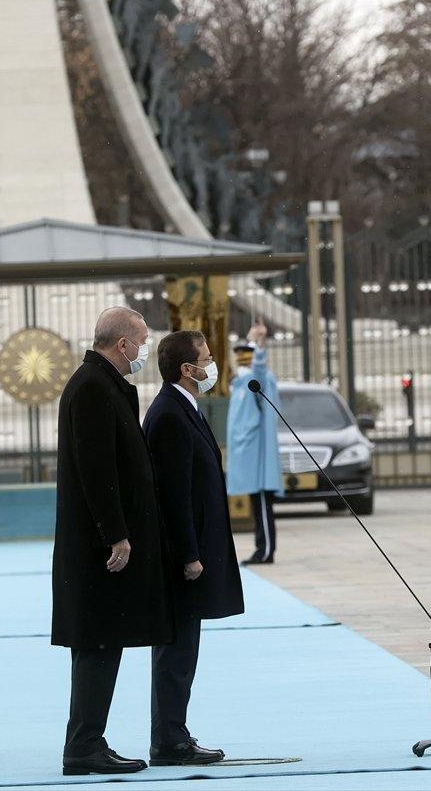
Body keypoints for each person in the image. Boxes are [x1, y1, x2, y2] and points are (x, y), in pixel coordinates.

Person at [52, 307, 173, 776]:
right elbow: (96, 469)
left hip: (101, 543)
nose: (144, 349)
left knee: (103, 643)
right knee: (98, 644)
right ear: (122, 344)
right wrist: (116, 535)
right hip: (97, 548)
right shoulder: (91, 387)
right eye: (141, 340)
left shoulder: (105, 384)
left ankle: (88, 740)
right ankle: (83, 746)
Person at [143, 330, 245, 765]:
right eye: (206, 359)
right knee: (176, 652)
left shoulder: (186, 407)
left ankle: (174, 732)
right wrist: (188, 555)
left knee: (184, 649)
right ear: (187, 369)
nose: (212, 365)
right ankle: (169, 740)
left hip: (197, 549)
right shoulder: (169, 414)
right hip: (183, 557)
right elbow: (173, 495)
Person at [226, 322, 283, 565]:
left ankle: (266, 550)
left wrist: (257, 343)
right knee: (257, 508)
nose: (241, 358)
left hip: (258, 458)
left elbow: (259, 370)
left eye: (245, 354)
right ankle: (261, 548)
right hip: (248, 459)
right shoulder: (239, 385)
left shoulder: (257, 381)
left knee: (262, 506)